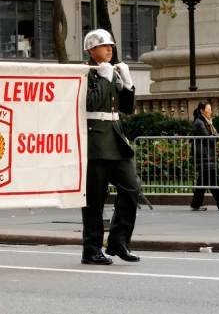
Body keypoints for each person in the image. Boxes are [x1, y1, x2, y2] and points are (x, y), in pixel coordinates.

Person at [81, 29, 140, 265]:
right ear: (91, 50)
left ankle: (118, 241)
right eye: (105, 46)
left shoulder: (110, 72)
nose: (110, 49)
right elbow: (91, 102)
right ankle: (91, 248)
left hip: (115, 139)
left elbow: (126, 109)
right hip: (94, 141)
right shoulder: (86, 73)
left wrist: (127, 85)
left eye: (111, 46)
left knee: (131, 188)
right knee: (94, 198)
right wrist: (105, 79)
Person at [190, 101, 219, 212]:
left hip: (206, 154)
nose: (211, 112)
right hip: (204, 155)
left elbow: (212, 137)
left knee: (203, 180)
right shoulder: (199, 123)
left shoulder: (206, 122)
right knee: (212, 179)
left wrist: (214, 136)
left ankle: (196, 204)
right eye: (209, 110)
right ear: (202, 111)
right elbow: (210, 139)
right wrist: (215, 136)